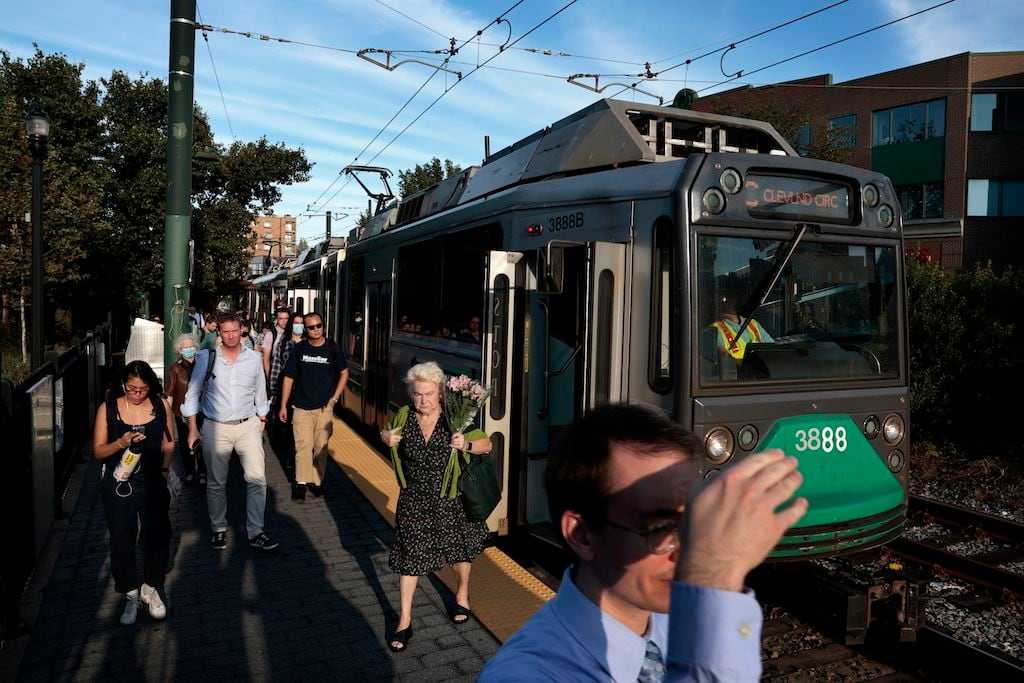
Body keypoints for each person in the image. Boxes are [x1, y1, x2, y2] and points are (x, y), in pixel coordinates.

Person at [479, 403, 808, 682]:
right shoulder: (526, 674)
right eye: (661, 526)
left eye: (694, 522)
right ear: (581, 534)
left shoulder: (673, 619)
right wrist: (715, 579)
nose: (690, 548)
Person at [379, 362, 491, 653]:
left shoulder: (456, 418)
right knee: (410, 558)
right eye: (417, 394)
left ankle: (462, 593)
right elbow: (387, 432)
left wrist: (464, 443)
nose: (422, 400)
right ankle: (404, 621)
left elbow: (486, 445)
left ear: (441, 393)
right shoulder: (405, 416)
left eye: (428, 394)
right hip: (414, 500)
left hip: (449, 499)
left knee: (457, 551)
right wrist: (386, 437)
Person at [181, 313, 279, 552]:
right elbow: (192, 393)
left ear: (242, 330)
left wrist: (262, 417)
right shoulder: (206, 358)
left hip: (248, 425)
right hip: (216, 427)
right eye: (226, 331)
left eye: (235, 330)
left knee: (257, 479)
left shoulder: (254, 359)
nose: (231, 335)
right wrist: (193, 429)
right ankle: (219, 529)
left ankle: (256, 531)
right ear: (220, 333)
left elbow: (260, 391)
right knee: (216, 483)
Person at [91, 361, 176, 625]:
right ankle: (129, 592)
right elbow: (98, 451)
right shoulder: (109, 408)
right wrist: (121, 442)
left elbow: (169, 442)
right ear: (123, 385)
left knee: (157, 535)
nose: (137, 394)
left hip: (152, 480)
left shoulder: (161, 405)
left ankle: (150, 588)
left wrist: (164, 469)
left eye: (142, 389)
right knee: (121, 537)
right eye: (131, 388)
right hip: (119, 483)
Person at [278, 312, 349, 500]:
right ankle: (301, 483)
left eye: (319, 325)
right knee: (303, 446)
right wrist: (283, 405)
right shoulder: (299, 348)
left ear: (323, 326)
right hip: (301, 407)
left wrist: (334, 398)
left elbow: (344, 373)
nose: (316, 329)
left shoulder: (332, 348)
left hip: (324, 408)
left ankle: (317, 480)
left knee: (321, 447)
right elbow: (289, 377)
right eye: (311, 327)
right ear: (306, 330)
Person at [166, 334, 206, 485]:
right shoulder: (175, 368)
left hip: (201, 410)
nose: (188, 349)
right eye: (185, 347)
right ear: (179, 350)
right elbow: (169, 392)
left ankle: (202, 471)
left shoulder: (202, 365)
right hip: (181, 412)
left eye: (191, 346)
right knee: (184, 443)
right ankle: (189, 470)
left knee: (202, 441)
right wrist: (167, 414)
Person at [708, 287, 774, 364]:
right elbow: (725, 361)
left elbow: (773, 351)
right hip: (737, 375)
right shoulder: (713, 330)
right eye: (719, 299)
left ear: (734, 299)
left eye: (725, 298)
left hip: (763, 374)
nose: (722, 302)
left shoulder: (753, 323)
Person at [264, 307, 291, 402]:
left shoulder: (292, 333)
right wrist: (268, 378)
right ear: (276, 319)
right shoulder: (271, 334)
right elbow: (266, 359)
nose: (284, 321)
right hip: (276, 374)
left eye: (286, 318)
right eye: (281, 318)